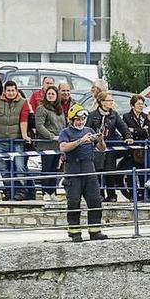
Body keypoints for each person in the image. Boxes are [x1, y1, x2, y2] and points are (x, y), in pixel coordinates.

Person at [58, 104, 108, 242]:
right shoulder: (66, 133)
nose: (80, 122)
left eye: (83, 119)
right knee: (73, 202)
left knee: (95, 201)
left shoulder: (89, 130)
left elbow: (102, 149)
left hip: (89, 170)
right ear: (72, 120)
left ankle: (95, 231)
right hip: (73, 172)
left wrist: (101, 139)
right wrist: (80, 141)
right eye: (78, 120)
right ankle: (74, 232)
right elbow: (63, 147)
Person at [0, 80, 34, 201]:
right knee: (3, 168)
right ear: (5, 91)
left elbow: (24, 121)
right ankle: (9, 190)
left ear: (16, 91)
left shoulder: (23, 102)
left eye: (13, 90)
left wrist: (24, 135)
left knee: (19, 167)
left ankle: (21, 191)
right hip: (0, 140)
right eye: (8, 90)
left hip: (17, 140)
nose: (11, 93)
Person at [86, 91, 134, 202]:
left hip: (110, 147)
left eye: (112, 100)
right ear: (102, 102)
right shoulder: (93, 115)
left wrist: (128, 136)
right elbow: (88, 129)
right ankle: (99, 194)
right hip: (96, 147)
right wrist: (93, 139)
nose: (112, 103)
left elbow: (123, 127)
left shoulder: (114, 114)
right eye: (109, 100)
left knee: (110, 171)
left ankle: (112, 195)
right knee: (97, 171)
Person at [35, 85, 66, 202]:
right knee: (46, 168)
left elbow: (63, 124)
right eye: (49, 94)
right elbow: (39, 126)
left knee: (54, 168)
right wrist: (51, 136)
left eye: (53, 94)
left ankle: (53, 191)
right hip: (47, 144)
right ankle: (45, 192)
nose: (51, 96)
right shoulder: (41, 108)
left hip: (58, 144)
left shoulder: (59, 109)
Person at [122, 94, 150, 199]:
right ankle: (133, 195)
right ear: (133, 105)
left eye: (142, 104)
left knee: (143, 171)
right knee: (132, 172)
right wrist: (140, 130)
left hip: (144, 148)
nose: (141, 106)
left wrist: (135, 130)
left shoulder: (146, 116)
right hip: (132, 150)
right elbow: (127, 130)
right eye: (139, 104)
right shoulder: (126, 116)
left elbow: (148, 131)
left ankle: (144, 194)